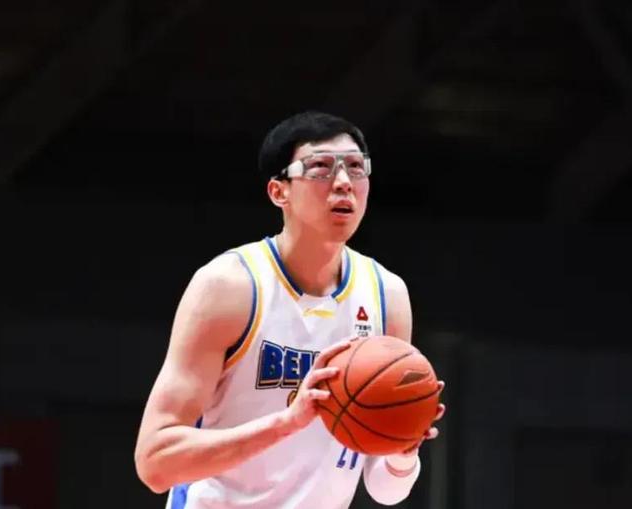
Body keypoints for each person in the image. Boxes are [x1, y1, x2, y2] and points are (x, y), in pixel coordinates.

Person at [134, 111, 446, 508]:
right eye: (320, 168)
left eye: (356, 167)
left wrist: (403, 449)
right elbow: (156, 462)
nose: (343, 182)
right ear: (279, 191)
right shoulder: (229, 286)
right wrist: (287, 423)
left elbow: (386, 490)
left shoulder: (387, 294)